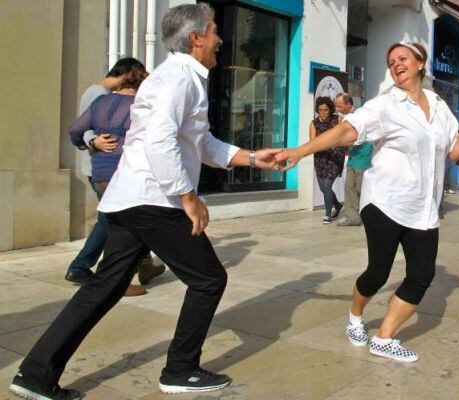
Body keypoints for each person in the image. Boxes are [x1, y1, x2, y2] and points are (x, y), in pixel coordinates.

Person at [9, 5, 283, 399]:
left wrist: (254, 158)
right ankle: (180, 369)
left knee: (103, 286)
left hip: (130, 198)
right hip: (154, 198)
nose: (222, 40)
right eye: (216, 31)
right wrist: (189, 197)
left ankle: (35, 374)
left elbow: (199, 142)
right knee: (208, 280)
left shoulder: (179, 77)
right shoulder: (178, 79)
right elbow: (160, 142)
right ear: (197, 37)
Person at [276, 42, 459, 363]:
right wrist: (300, 152)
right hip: (385, 201)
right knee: (378, 272)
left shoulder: (440, 106)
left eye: (403, 58)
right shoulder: (384, 105)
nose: (396, 64)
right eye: (391, 61)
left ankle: (384, 338)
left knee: (422, 275)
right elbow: (347, 131)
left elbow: (453, 151)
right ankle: (356, 315)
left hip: (423, 208)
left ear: (420, 63)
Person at [67, 59, 163, 297]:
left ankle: (143, 266)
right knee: (120, 225)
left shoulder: (101, 98)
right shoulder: (111, 98)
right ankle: (106, 277)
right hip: (117, 171)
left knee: (120, 222)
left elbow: (76, 130)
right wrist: (93, 142)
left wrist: (85, 141)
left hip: (101, 170)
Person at [336, 93, 372, 226]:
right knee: (349, 187)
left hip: (362, 160)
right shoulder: (347, 118)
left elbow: (350, 139)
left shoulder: (358, 117)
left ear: (348, 105)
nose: (337, 109)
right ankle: (353, 217)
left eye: (339, 106)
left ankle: (367, 216)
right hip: (353, 159)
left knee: (361, 190)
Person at [311, 96, 345, 224]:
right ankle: (338, 205)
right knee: (323, 188)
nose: (323, 113)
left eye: (325, 110)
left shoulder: (337, 120)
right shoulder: (314, 123)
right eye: (320, 110)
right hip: (320, 158)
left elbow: (341, 137)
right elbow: (312, 141)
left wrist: (332, 144)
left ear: (330, 109)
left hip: (335, 157)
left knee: (327, 185)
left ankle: (327, 214)